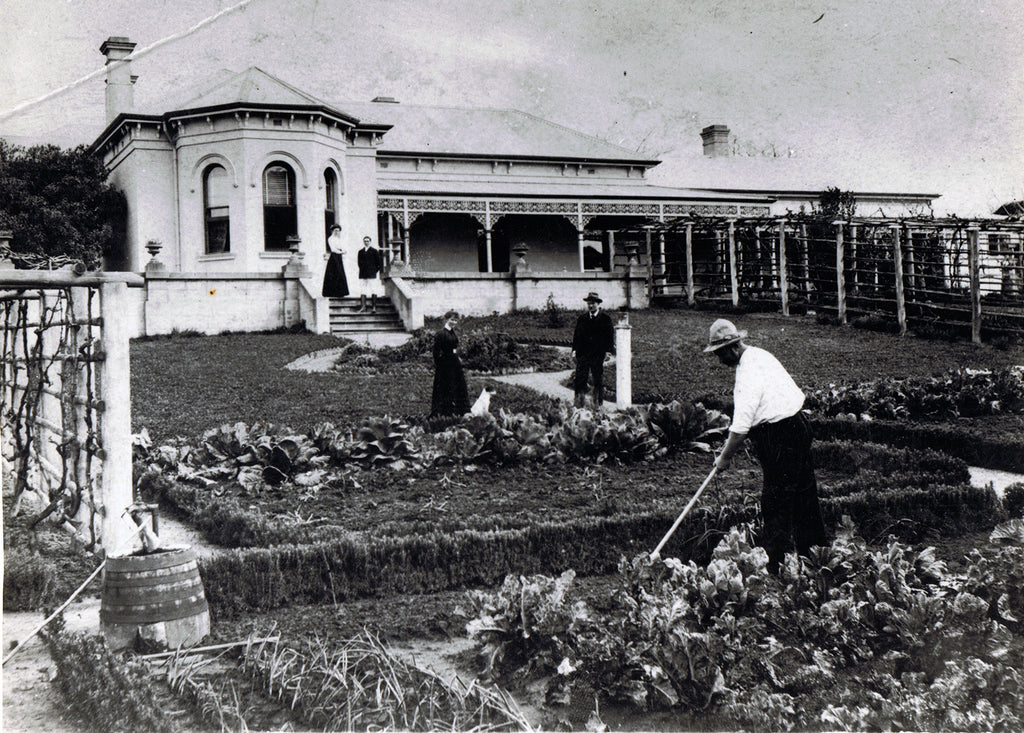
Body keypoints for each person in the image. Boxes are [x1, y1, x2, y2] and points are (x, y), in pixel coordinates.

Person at [704, 318, 828, 573]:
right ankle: (815, 558)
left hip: (780, 435)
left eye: (719, 354)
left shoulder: (748, 372)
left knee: (775, 502)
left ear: (732, 348)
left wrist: (725, 458)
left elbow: (740, 426)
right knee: (804, 496)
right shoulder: (761, 355)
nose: (719, 360)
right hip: (797, 426)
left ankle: (777, 566)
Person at [571, 292, 615, 408]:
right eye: (589, 304)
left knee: (597, 379)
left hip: (597, 354)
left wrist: (608, 351)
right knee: (580, 378)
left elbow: (609, 337)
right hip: (583, 354)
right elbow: (577, 336)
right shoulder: (582, 318)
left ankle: (598, 404)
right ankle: (578, 403)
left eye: (593, 303)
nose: (590, 306)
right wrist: (574, 350)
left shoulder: (605, 319)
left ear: (598, 304)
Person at [430, 310, 470, 418]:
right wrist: (440, 364)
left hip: (454, 362)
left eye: (456, 320)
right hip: (445, 364)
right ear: (446, 319)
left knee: (457, 385)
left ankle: (458, 410)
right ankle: (445, 411)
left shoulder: (452, 332)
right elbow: (436, 351)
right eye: (452, 319)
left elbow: (454, 347)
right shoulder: (441, 334)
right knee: (446, 386)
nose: (454, 322)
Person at [356, 236, 383, 312]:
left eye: (367, 241)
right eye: (365, 241)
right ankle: (363, 306)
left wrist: (374, 271)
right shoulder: (360, 252)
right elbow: (359, 263)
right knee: (363, 290)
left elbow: (379, 264)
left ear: (370, 242)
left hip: (371, 274)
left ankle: (374, 307)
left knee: (373, 289)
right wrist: (363, 270)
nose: (366, 242)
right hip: (363, 274)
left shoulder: (374, 251)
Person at [321, 224, 349, 298]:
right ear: (332, 231)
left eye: (338, 231)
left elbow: (342, 247)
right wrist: (341, 252)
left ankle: (340, 292)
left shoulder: (339, 239)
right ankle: (331, 292)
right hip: (334, 257)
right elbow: (333, 249)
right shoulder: (331, 239)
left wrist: (343, 250)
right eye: (335, 230)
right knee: (334, 272)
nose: (337, 232)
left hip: (339, 257)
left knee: (340, 273)